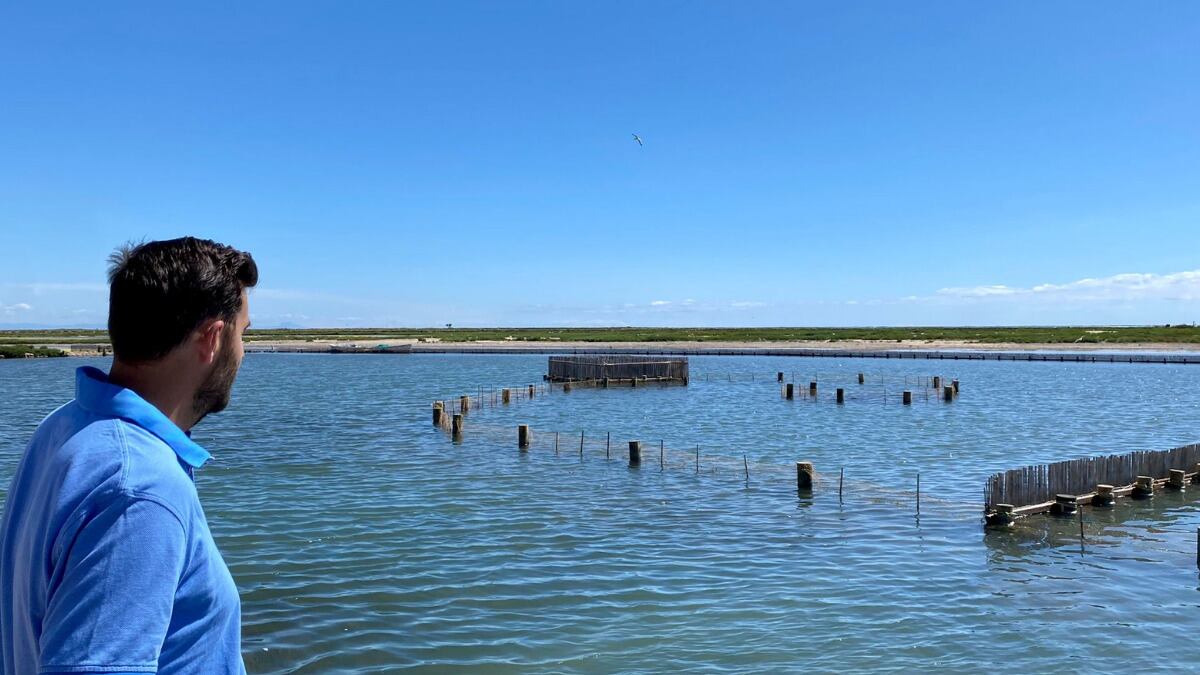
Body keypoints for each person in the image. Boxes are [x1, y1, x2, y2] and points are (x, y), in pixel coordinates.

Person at [0, 237, 257, 674]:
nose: (244, 352)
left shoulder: (64, 427)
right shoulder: (138, 486)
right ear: (212, 338)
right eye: (243, 333)